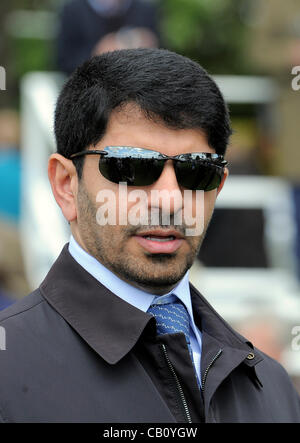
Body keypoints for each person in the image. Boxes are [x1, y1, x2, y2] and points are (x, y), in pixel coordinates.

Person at [0, 48, 300, 423]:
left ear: (218, 186)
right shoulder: (9, 373)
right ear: (66, 184)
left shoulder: (270, 386)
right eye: (133, 167)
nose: (171, 199)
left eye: (197, 172)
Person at [56, 0, 160, 75]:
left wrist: (150, 48)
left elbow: (162, 53)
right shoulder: (73, 11)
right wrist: (96, 55)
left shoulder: (146, 10)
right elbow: (63, 61)